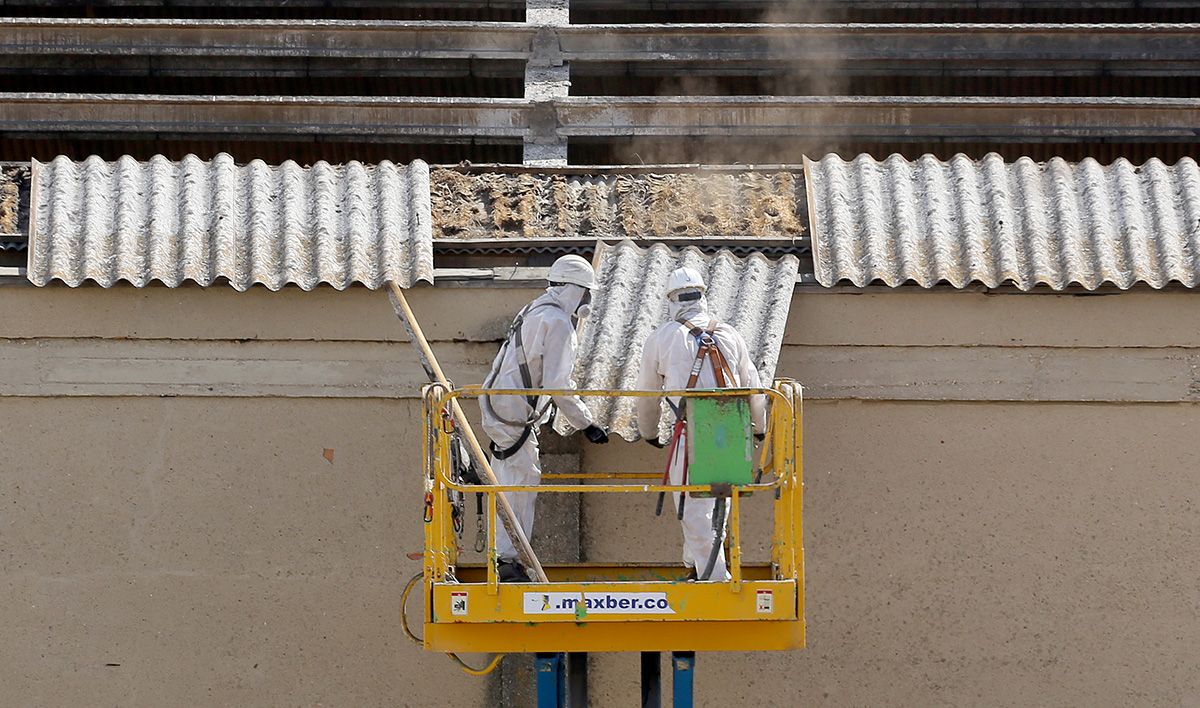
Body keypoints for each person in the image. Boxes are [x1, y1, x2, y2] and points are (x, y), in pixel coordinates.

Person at [481, 254, 609, 582]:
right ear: (572, 290)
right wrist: (586, 423)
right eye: (584, 293)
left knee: (511, 480)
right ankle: (510, 562)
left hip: (501, 405)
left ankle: (508, 557)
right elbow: (558, 384)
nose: (586, 300)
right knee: (522, 481)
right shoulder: (558, 323)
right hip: (511, 411)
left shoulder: (534, 310)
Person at [635, 266, 766, 582]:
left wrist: (649, 433)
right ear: (703, 295)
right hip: (732, 429)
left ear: (672, 299)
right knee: (719, 507)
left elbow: (646, 396)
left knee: (693, 510)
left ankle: (713, 579)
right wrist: (761, 428)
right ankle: (699, 567)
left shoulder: (662, 338)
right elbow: (754, 386)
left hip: (693, 431)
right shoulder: (730, 334)